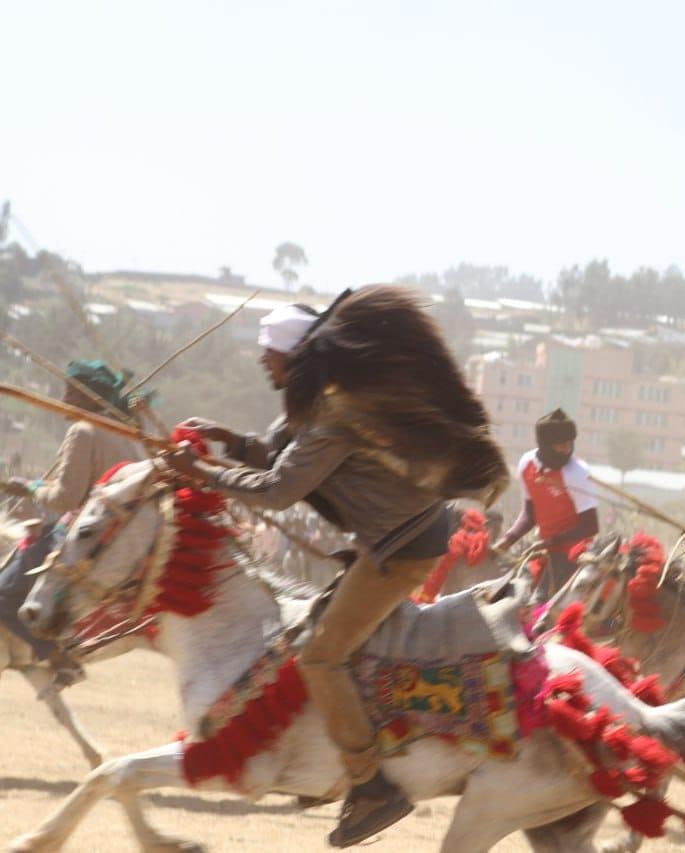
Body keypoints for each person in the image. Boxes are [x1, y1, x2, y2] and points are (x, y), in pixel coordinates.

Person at [166, 288, 507, 848]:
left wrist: (202, 473)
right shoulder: (320, 408)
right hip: (394, 542)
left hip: (400, 552)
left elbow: (278, 490)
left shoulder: (333, 415)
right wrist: (227, 443)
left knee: (321, 656)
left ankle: (371, 785)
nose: (261, 361)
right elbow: (277, 457)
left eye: (268, 351)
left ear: (294, 356)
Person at [0, 360, 144, 684]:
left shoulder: (83, 431)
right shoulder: (129, 432)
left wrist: (32, 487)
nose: (63, 399)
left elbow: (66, 499)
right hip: (121, 540)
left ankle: (56, 657)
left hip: (85, 538)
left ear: (89, 398)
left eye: (70, 392)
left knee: (4, 595)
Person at [494, 409, 598, 600]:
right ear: (545, 445)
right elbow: (530, 514)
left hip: (573, 552)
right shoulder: (526, 464)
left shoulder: (577, 473)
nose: (567, 450)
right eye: (561, 445)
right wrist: (508, 540)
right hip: (545, 549)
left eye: (570, 444)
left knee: (537, 604)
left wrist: (551, 542)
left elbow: (591, 525)